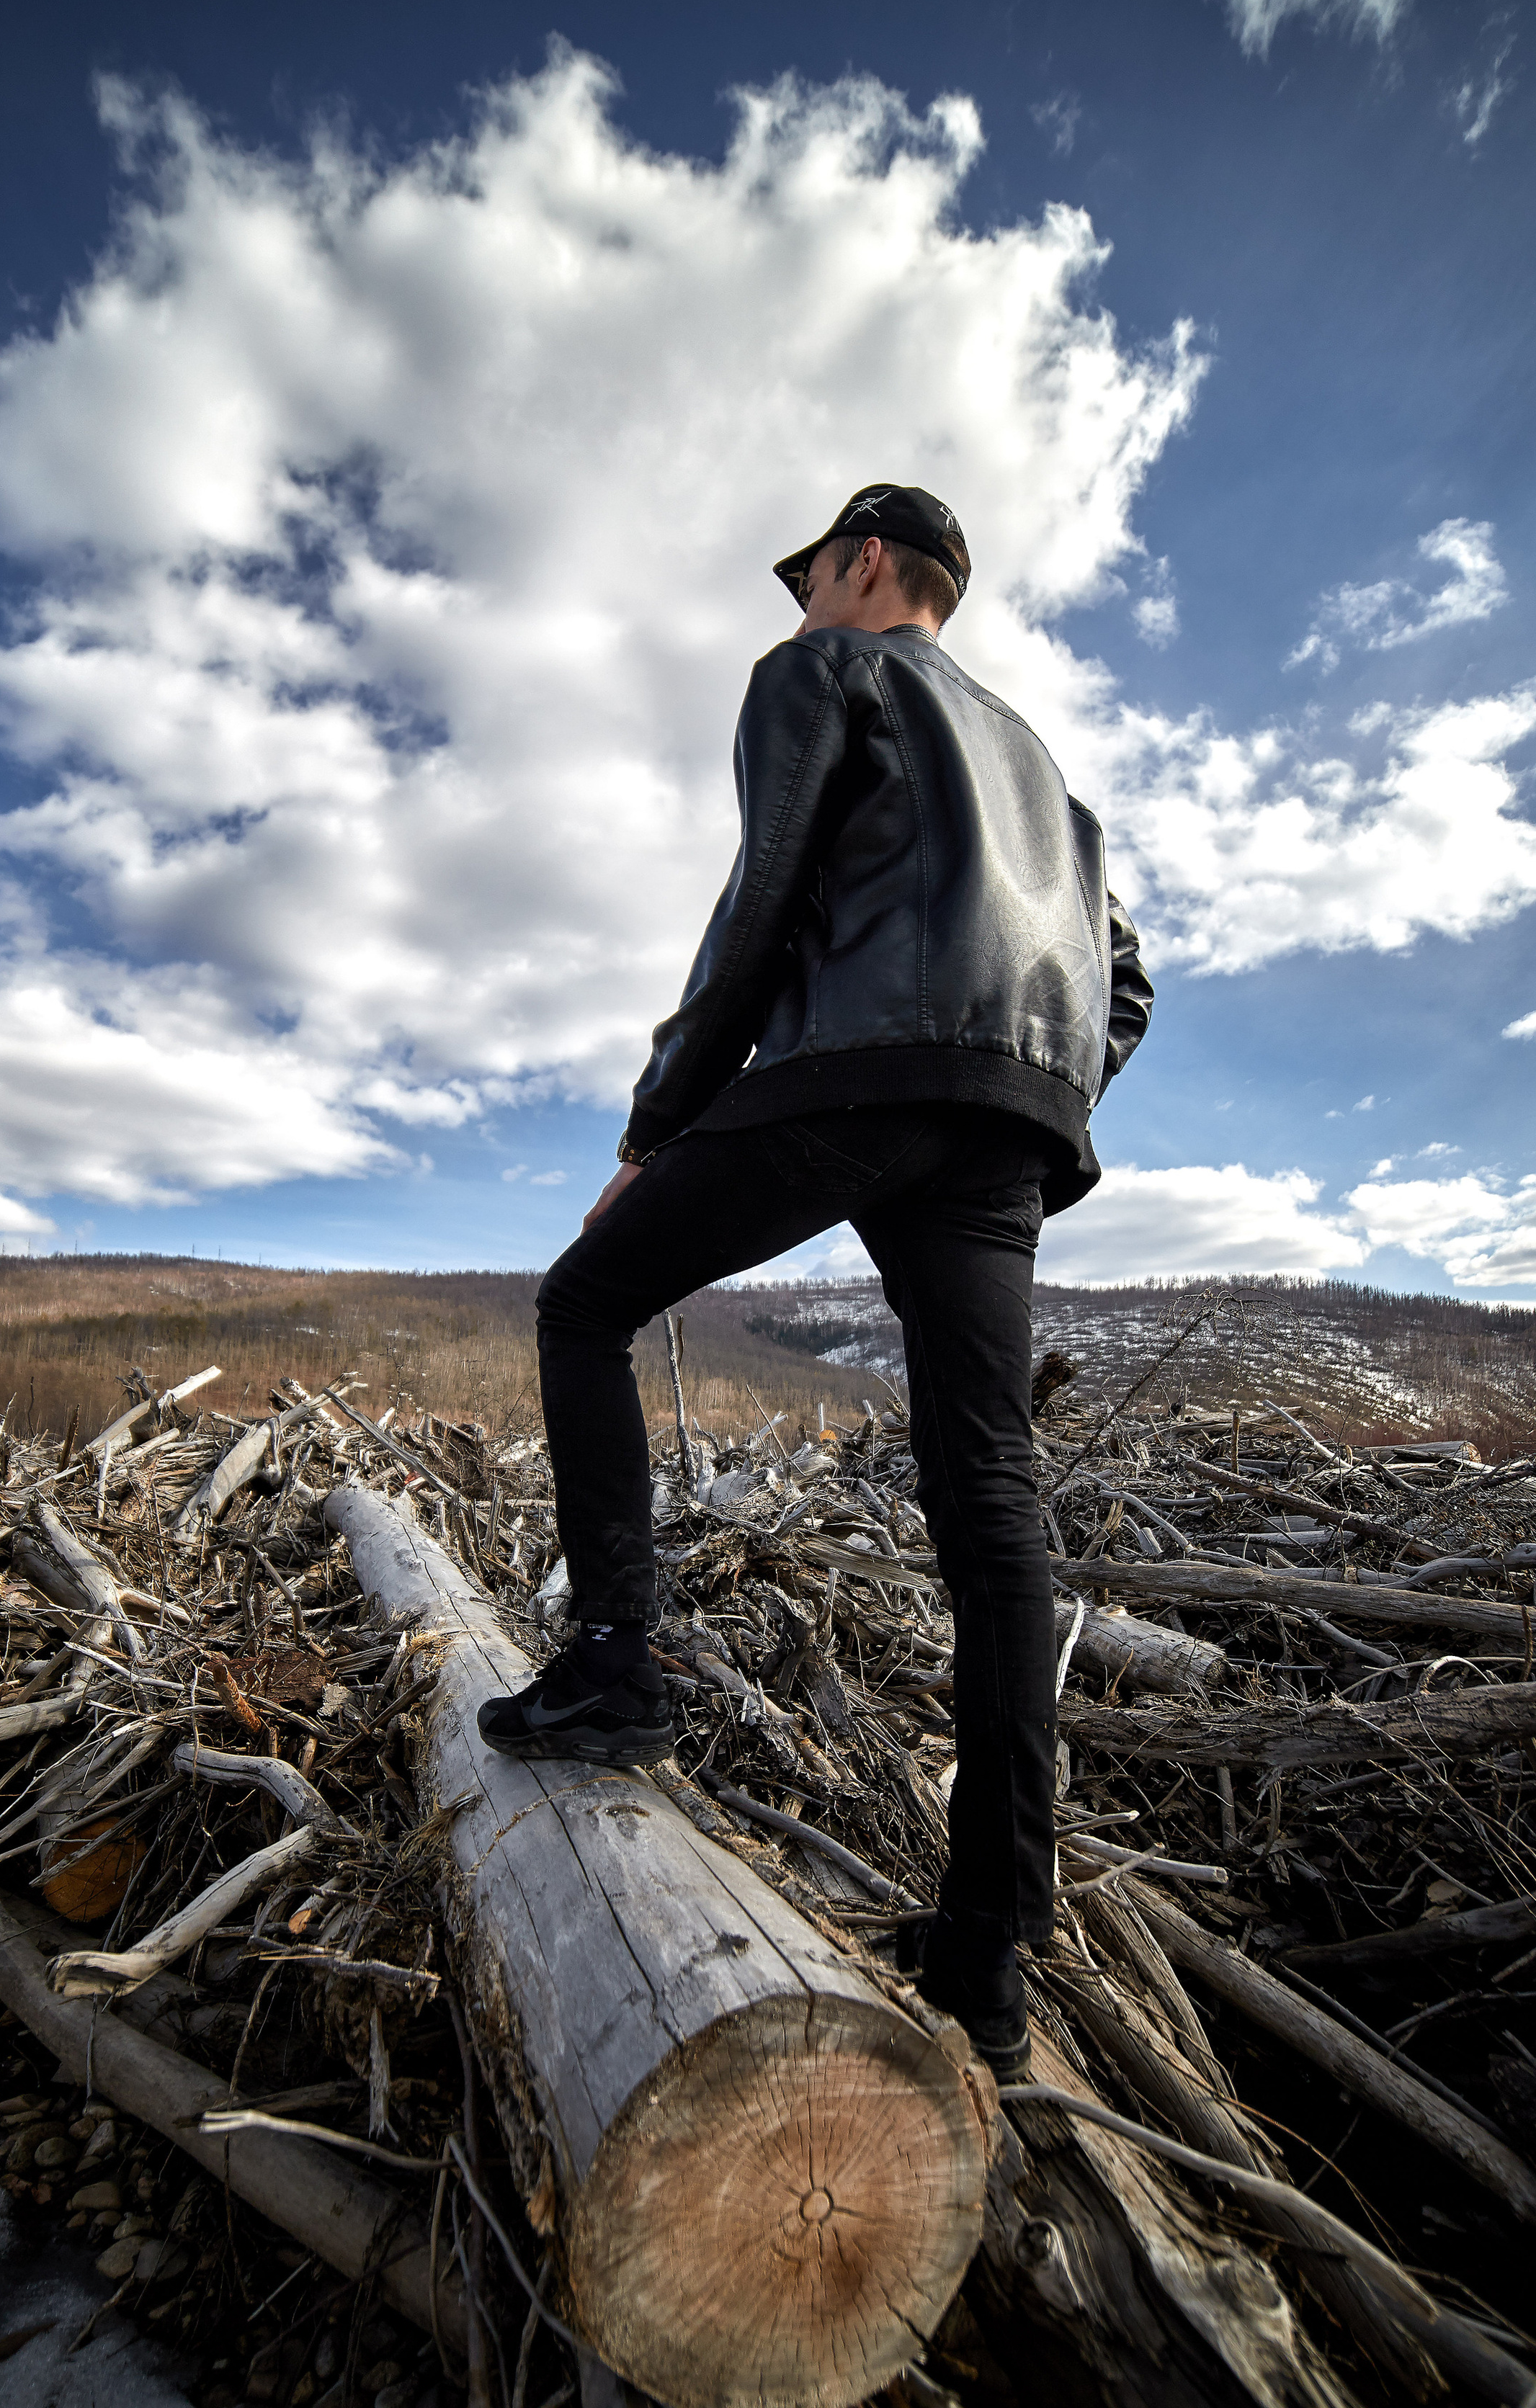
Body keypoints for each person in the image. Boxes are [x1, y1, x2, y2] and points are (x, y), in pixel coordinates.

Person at [477, 484, 1152, 2079]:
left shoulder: (820, 677)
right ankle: (987, 1961)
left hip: (855, 1079)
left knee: (582, 1305)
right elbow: (1123, 983)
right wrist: (1036, 1085)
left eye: (808, 582)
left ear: (862, 570)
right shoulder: (1047, 779)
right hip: (1006, 1120)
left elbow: (760, 902)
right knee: (990, 1494)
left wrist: (659, 1124)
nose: (793, 612)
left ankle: (610, 1670)